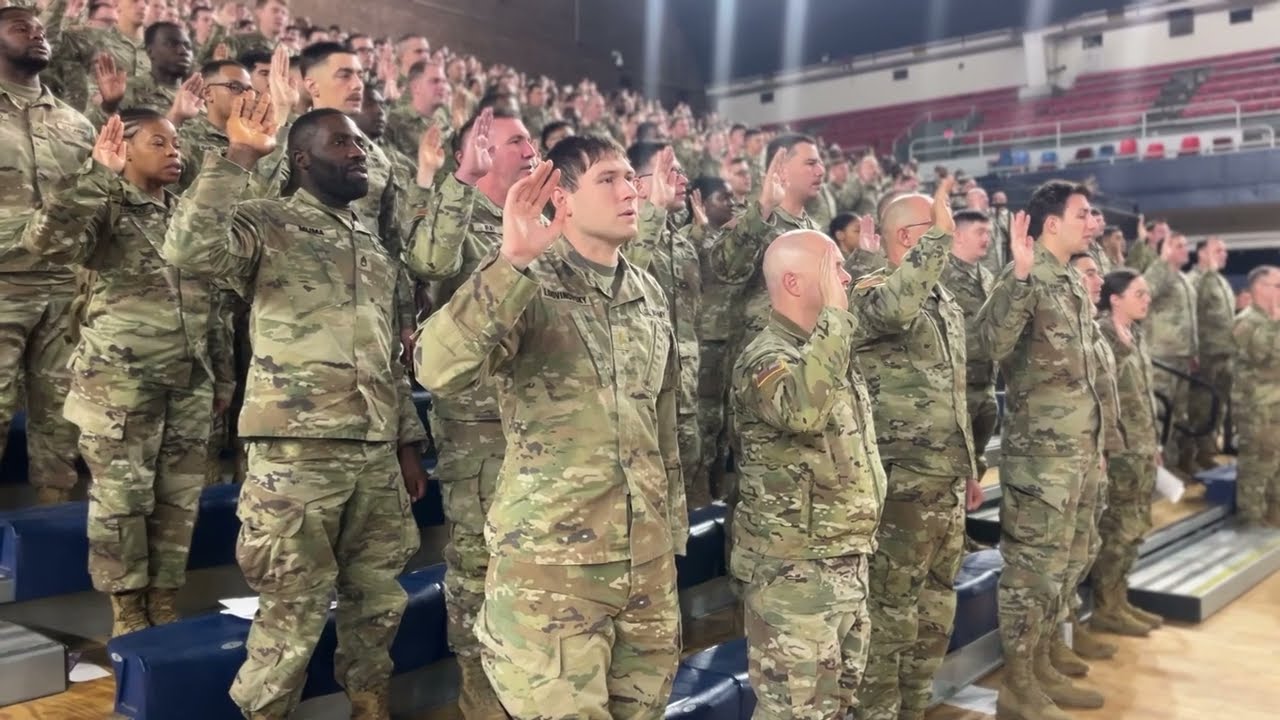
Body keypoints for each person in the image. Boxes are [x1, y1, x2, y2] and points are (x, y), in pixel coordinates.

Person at [162, 100, 428, 720]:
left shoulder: (373, 244)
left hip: (373, 449)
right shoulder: (266, 221)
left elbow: (387, 357)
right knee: (293, 606)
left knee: (378, 599)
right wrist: (239, 157)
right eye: (342, 143)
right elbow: (188, 250)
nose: (359, 152)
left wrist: (406, 443)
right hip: (295, 452)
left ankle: (370, 706)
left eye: (360, 142)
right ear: (302, 158)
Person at [415, 136, 686, 720]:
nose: (630, 190)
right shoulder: (526, 282)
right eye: (608, 180)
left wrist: (669, 535)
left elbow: (662, 432)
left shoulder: (647, 293)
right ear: (561, 197)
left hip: (644, 566)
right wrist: (509, 261)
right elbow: (436, 367)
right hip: (553, 568)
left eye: (630, 179)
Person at [21, 109, 218, 636]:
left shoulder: (184, 213)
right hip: (119, 381)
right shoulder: (102, 204)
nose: (175, 152)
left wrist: (219, 372)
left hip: (189, 379)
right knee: (123, 500)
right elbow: (44, 241)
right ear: (124, 149)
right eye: (160, 142)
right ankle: (128, 609)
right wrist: (94, 174)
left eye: (177, 144)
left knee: (178, 499)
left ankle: (164, 598)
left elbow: (211, 299)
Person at [402, 106, 527, 719]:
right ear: (478, 151)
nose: (530, 147)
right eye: (514, 140)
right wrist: (458, 180)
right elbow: (428, 263)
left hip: (537, 429)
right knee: (479, 571)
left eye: (531, 137)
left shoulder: (542, 223)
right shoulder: (461, 216)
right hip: (479, 433)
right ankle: (480, 703)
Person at [730, 229, 883, 720]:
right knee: (794, 712)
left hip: (844, 559)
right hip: (793, 573)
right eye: (835, 268)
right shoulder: (765, 355)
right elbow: (802, 410)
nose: (847, 278)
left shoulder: (827, 348)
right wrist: (837, 318)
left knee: (838, 706)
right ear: (794, 283)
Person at [975, 180, 1107, 720]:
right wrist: (1021, 276)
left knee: (1067, 562)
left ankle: (1047, 657)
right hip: (1041, 458)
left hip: (1075, 451)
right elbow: (989, 344)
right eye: (1081, 213)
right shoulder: (1023, 276)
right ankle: (1019, 684)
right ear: (1051, 224)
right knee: (1031, 573)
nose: (1090, 220)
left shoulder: (1072, 282)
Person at [853, 180, 984, 720]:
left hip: (945, 480)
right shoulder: (869, 287)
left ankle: (914, 707)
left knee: (935, 607)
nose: (947, 238)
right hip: (900, 480)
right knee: (891, 615)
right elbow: (891, 314)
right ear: (910, 237)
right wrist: (937, 241)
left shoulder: (943, 298)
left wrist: (971, 467)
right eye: (937, 230)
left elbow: (954, 392)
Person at [0, 6, 95, 505]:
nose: (36, 35)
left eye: (40, 30)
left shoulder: (77, 125)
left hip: (63, 288)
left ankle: (48, 520)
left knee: (60, 417)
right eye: (21, 28)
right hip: (2, 284)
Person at [1065, 253, 1139, 648]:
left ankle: (1081, 624)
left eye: (1098, 272)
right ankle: (1066, 634)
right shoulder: (1068, 329)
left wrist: (1107, 447)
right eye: (1089, 273)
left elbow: (1107, 396)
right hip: (1069, 454)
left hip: (1096, 451)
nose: (1098, 279)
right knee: (1069, 552)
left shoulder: (1093, 330)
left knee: (1087, 546)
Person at [627, 142, 706, 506]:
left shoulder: (683, 243)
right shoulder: (622, 236)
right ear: (640, 184)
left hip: (685, 394)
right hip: (642, 398)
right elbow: (625, 278)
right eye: (671, 172)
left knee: (683, 498)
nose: (683, 179)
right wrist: (653, 212)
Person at [1090, 269, 1167, 634]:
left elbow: (1143, 396)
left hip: (1142, 445)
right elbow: (1104, 396)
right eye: (1139, 293)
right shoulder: (1104, 334)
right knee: (1118, 530)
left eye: (1147, 293)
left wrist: (1154, 444)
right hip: (1121, 449)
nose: (1146, 299)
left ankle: (1120, 599)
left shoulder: (1135, 334)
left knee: (1135, 528)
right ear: (1115, 298)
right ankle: (1107, 607)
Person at [688, 175, 738, 499]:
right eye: (723, 197)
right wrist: (703, 228)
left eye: (733, 197)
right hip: (706, 342)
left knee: (726, 427)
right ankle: (700, 498)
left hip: (731, 340)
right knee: (705, 424)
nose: (732, 203)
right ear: (701, 202)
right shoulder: (690, 239)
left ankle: (719, 495)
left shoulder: (731, 242)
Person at [941, 209, 999, 482]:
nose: (987, 238)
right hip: (955, 388)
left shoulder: (987, 276)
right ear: (958, 235)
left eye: (989, 232)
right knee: (952, 470)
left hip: (985, 383)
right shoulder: (940, 273)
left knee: (976, 467)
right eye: (980, 232)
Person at [1142, 232, 1197, 475]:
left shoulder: (1184, 279)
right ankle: (1157, 470)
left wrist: (1193, 351)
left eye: (1186, 245)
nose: (1186, 250)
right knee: (1160, 414)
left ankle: (1173, 464)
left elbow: (1190, 320)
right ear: (1166, 249)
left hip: (1182, 356)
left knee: (1178, 414)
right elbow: (1146, 291)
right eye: (1179, 246)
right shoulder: (1159, 273)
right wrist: (1162, 260)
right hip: (1162, 355)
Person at [1231, 266, 1280, 527]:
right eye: (1278, 286)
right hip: (1257, 408)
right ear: (1260, 288)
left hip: (1276, 405)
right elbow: (1261, 356)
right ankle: (1251, 524)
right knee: (1256, 469)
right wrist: (1275, 322)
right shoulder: (1246, 321)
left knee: (1276, 469)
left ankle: (1274, 521)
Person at [1189, 236, 1234, 471]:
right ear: (1202, 253)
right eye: (1218, 250)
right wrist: (1193, 351)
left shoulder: (1221, 282)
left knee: (1220, 406)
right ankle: (1199, 454)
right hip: (1205, 356)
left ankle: (1210, 449)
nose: (1224, 254)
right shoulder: (1195, 280)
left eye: (1225, 250)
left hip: (1225, 355)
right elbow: (1189, 317)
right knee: (1202, 407)